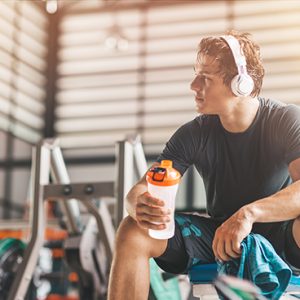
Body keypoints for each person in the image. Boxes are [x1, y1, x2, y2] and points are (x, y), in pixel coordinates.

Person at [107, 30, 300, 300]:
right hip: (218, 240)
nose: (193, 85)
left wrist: (247, 215)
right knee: (132, 230)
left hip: (280, 237)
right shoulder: (193, 134)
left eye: (205, 78)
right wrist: (138, 205)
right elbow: (142, 189)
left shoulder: (285, 119)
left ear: (239, 84)